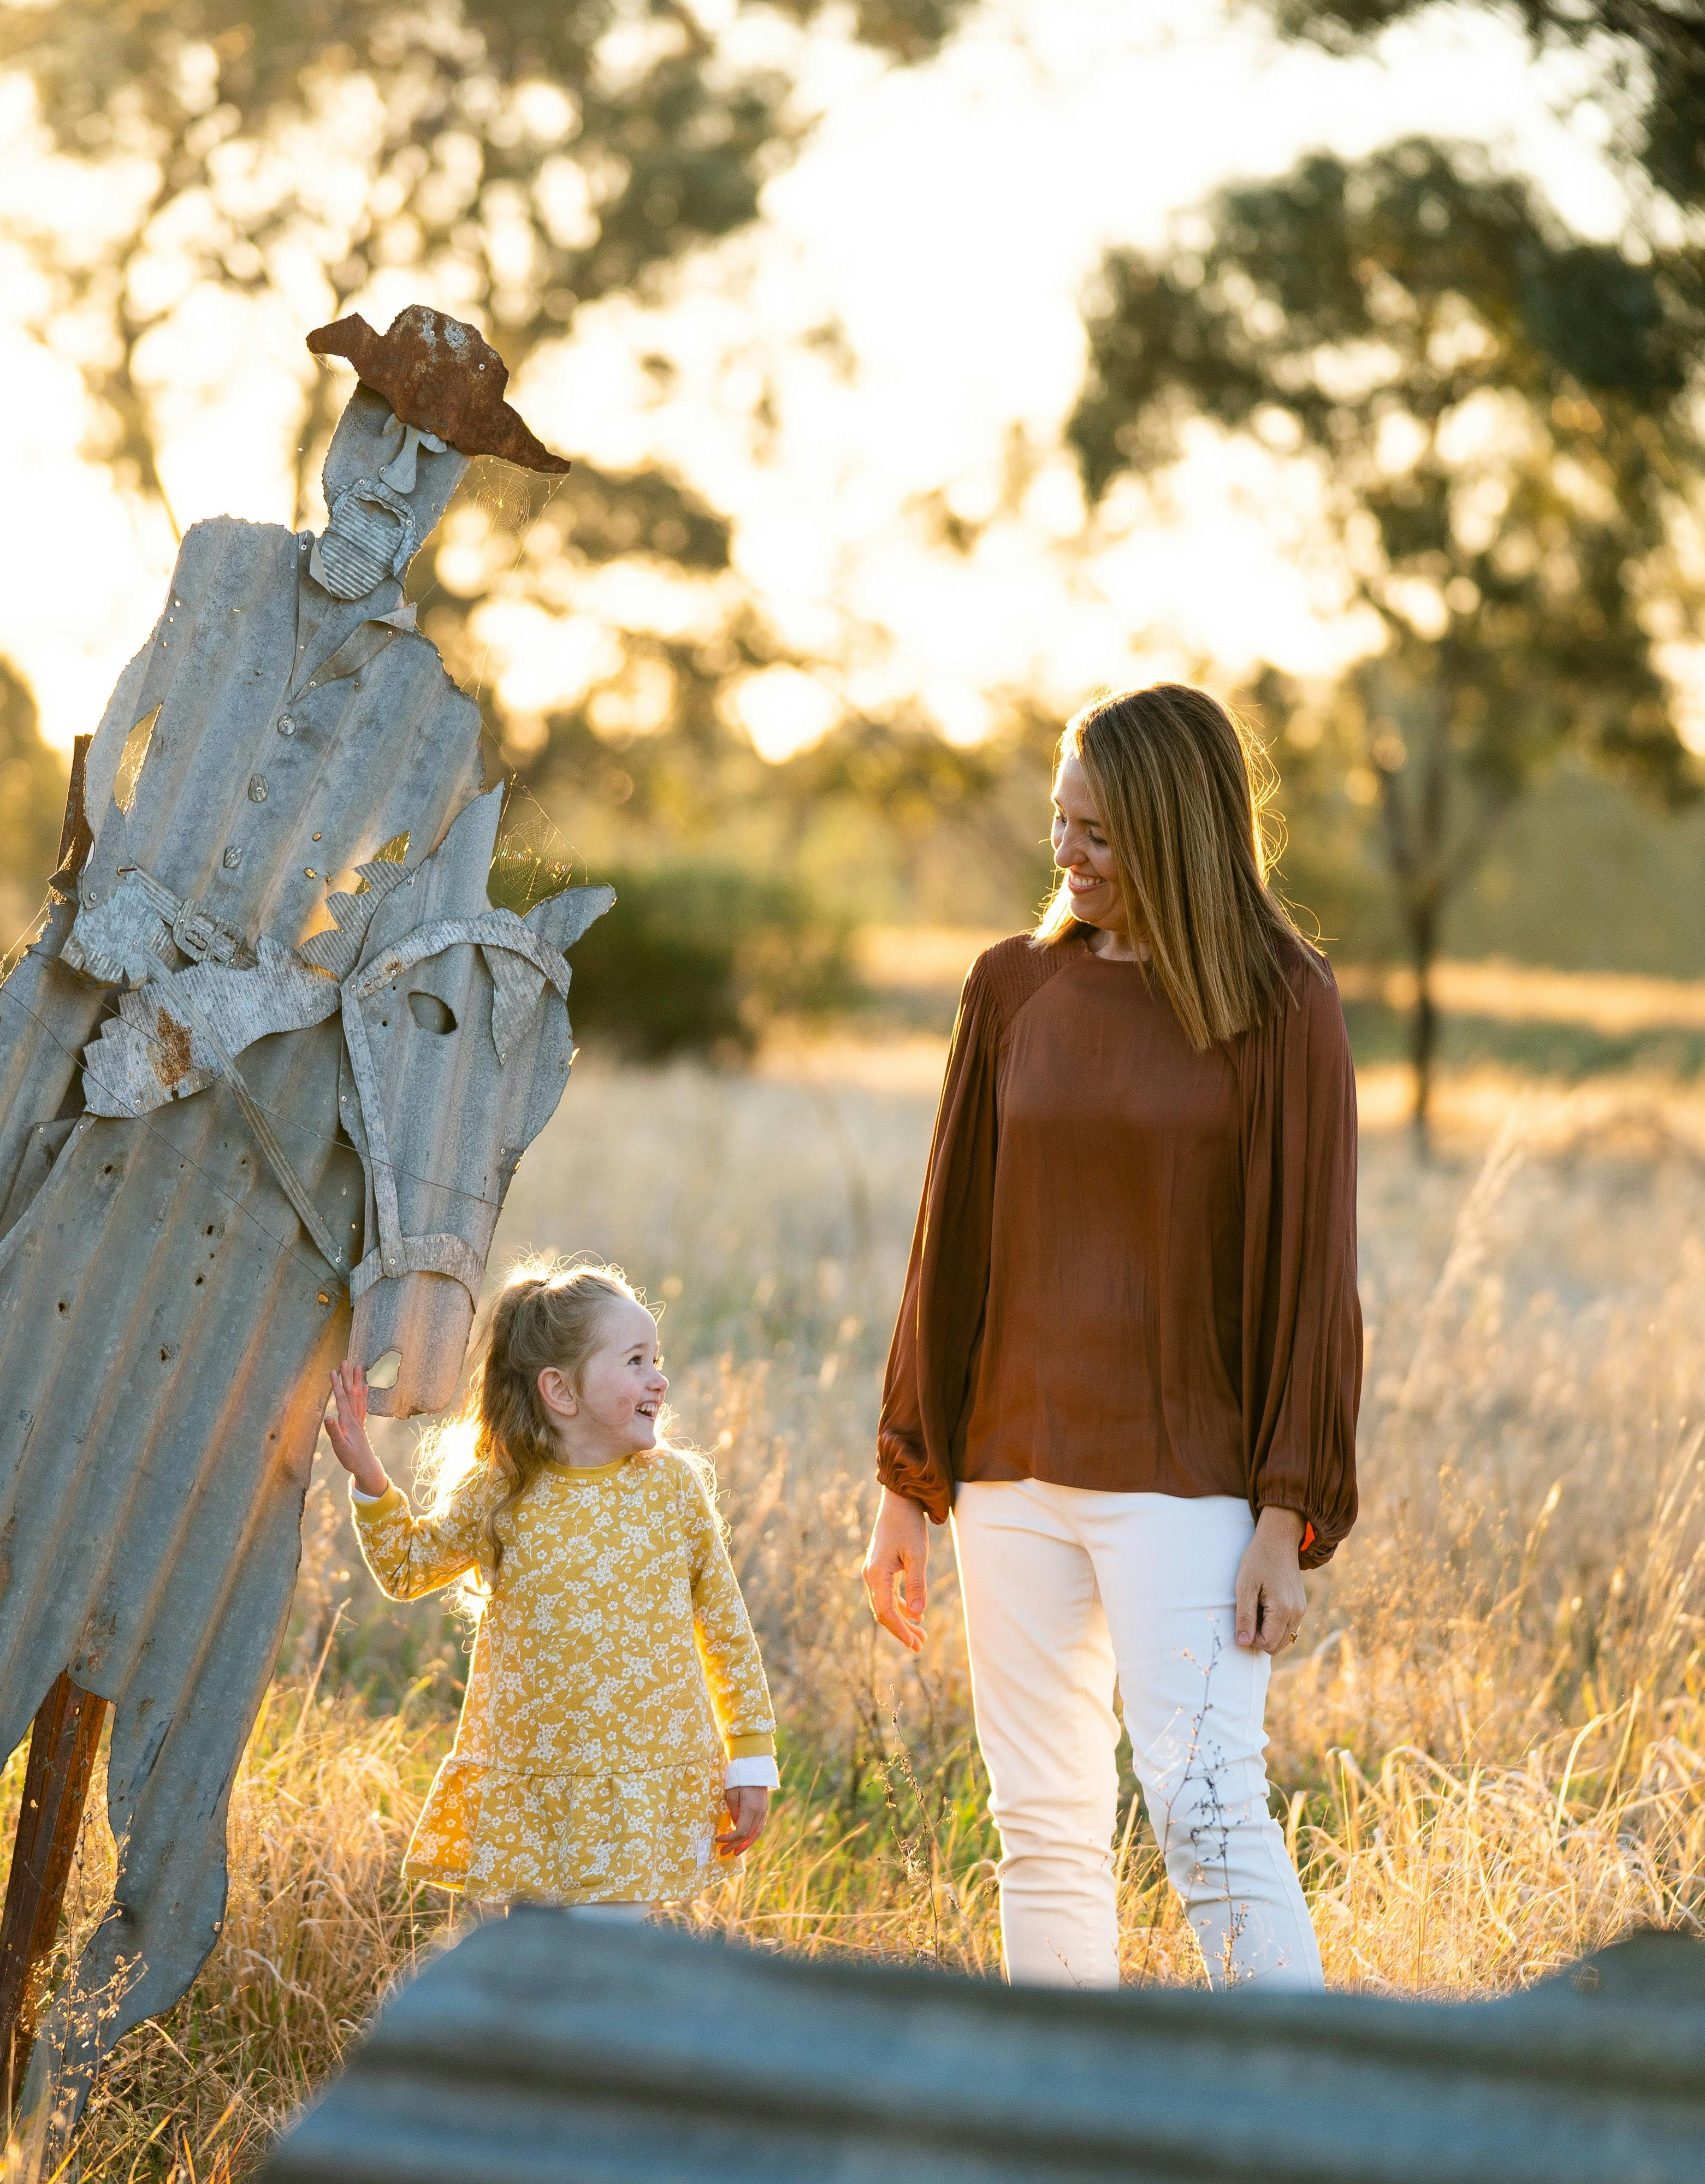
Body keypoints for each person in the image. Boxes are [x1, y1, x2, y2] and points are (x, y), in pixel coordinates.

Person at [859, 681, 1361, 1991]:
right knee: (1042, 1829)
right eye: (1059, 828)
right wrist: (908, 1483)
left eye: (1099, 835)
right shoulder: (1011, 988)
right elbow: (947, 1237)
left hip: (1188, 1483)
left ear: (1180, 830)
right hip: (1010, 1472)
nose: (1069, 858)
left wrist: (1283, 1514)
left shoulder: (1281, 1004)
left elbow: (1315, 1275)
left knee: (1206, 1813)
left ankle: (1307, 2121)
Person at [323, 1256, 780, 1919]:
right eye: (634, 1361)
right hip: (533, 1802)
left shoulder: (671, 1489)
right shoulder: (504, 1490)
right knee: (534, 1983)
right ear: (561, 1391)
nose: (661, 1378)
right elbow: (407, 1568)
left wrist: (751, 1759)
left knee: (603, 1970)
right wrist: (368, 1474)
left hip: (638, 1795)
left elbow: (726, 1628)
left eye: (657, 1358)